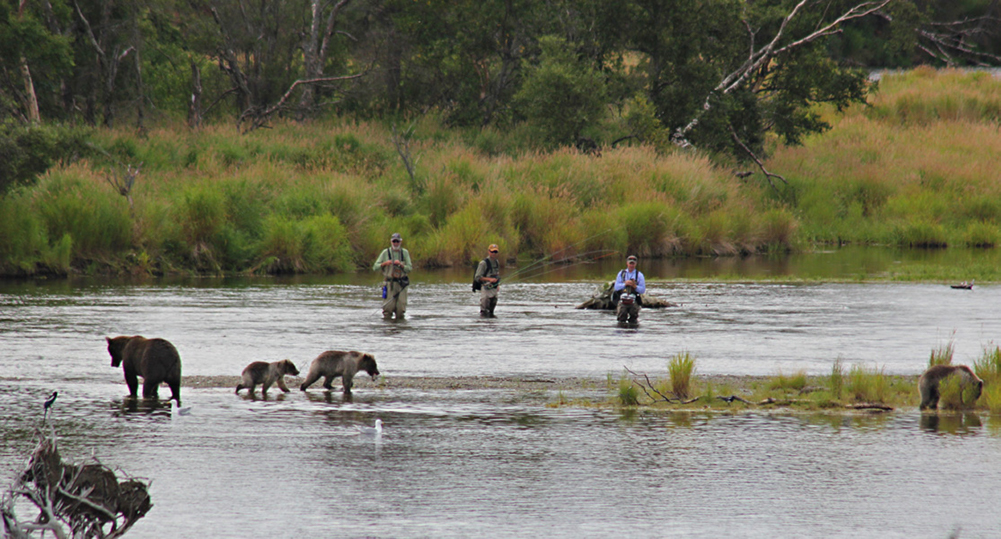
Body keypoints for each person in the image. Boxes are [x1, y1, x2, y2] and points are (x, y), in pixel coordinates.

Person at [372, 233, 412, 319]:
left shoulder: (405, 252)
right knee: (387, 309)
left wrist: (401, 265)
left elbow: (409, 268)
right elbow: (375, 267)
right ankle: (388, 328)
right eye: (394, 241)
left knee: (401, 310)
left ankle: (400, 329)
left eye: (397, 241)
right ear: (391, 241)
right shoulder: (385, 252)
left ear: (400, 242)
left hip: (401, 285)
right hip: (389, 284)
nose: (396, 243)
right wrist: (385, 263)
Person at [612, 255, 646, 323]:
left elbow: (642, 290)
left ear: (635, 264)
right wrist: (625, 284)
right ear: (627, 263)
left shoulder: (639, 275)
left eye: (633, 263)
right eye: (630, 263)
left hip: (634, 301)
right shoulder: (621, 274)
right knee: (621, 317)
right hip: (622, 300)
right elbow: (616, 287)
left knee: (634, 318)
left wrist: (635, 286)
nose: (631, 265)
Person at [474, 244, 501, 317]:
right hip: (485, 289)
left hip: (494, 289)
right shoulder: (483, 263)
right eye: (492, 252)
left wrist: (498, 285)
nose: (493, 254)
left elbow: (497, 274)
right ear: (488, 252)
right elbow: (477, 277)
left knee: (491, 311)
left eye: (495, 252)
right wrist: (489, 279)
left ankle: (491, 325)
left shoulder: (496, 262)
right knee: (484, 312)